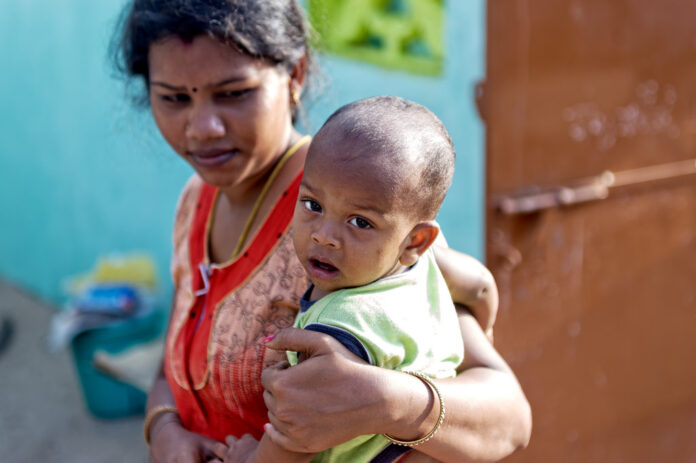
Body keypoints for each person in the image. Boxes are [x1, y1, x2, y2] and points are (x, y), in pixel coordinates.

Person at [113, 1, 531, 462]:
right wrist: (164, 427)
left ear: (295, 74)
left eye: (232, 93)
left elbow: (509, 418)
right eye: (174, 98)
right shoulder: (197, 199)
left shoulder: (358, 219)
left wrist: (389, 401)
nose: (203, 127)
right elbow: (173, 356)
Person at [222, 95, 481, 463]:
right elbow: (482, 288)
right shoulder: (423, 272)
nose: (324, 235)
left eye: (360, 222)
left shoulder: (339, 325)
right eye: (313, 205)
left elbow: (294, 436)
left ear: (416, 241)